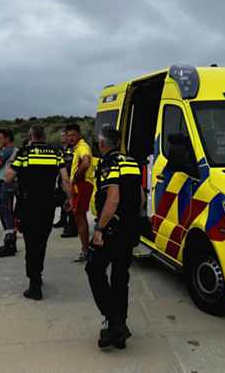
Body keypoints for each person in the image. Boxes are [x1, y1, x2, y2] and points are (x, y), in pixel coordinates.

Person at [85, 126, 144, 349]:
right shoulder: (132, 162)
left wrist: (99, 229)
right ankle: (118, 331)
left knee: (94, 270)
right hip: (130, 230)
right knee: (120, 277)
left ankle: (116, 322)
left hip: (111, 231)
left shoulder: (109, 164)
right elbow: (140, 198)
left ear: (102, 144)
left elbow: (113, 199)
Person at [4, 124, 72, 300]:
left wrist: (13, 159)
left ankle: (34, 283)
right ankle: (37, 275)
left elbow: (8, 177)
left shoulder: (24, 154)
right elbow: (65, 178)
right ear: (45, 136)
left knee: (30, 243)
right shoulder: (56, 153)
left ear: (30, 136)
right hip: (48, 204)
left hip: (27, 204)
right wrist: (69, 199)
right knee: (41, 242)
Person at [67, 123, 95, 263]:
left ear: (79, 135)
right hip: (80, 184)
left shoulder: (83, 147)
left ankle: (85, 252)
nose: (71, 138)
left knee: (80, 218)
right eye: (69, 135)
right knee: (79, 218)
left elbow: (86, 163)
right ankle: (85, 250)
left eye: (73, 135)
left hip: (81, 184)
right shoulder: (77, 148)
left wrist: (77, 177)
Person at [0, 129, 18, 257]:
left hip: (5, 184)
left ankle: (9, 242)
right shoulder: (16, 150)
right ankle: (11, 241)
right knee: (9, 213)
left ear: (7, 139)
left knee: (5, 213)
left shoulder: (6, 151)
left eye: (1, 138)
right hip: (14, 184)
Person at [54, 130, 75, 232]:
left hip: (68, 176)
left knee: (69, 199)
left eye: (63, 136)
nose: (61, 138)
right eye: (60, 136)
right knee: (62, 199)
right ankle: (63, 220)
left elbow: (70, 161)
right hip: (61, 177)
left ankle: (71, 223)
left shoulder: (71, 149)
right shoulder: (61, 149)